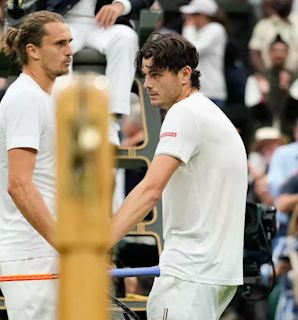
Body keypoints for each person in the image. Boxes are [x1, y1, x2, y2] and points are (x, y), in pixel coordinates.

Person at [110, 32, 248, 320]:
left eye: (157, 74)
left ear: (185, 74)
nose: (147, 84)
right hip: (212, 274)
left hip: (189, 275)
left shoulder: (184, 114)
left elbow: (150, 190)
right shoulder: (208, 113)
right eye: (146, 75)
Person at [0, 11, 73, 320]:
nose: (69, 51)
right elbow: (20, 185)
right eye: (59, 44)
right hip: (32, 255)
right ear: (33, 50)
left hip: (45, 251)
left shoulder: (43, 98)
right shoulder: (26, 98)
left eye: (70, 42)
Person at [48, 0, 154, 144]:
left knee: (126, 39)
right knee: (57, 43)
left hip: (107, 24)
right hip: (63, 21)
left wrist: (121, 5)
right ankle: (63, 124)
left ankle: (110, 124)